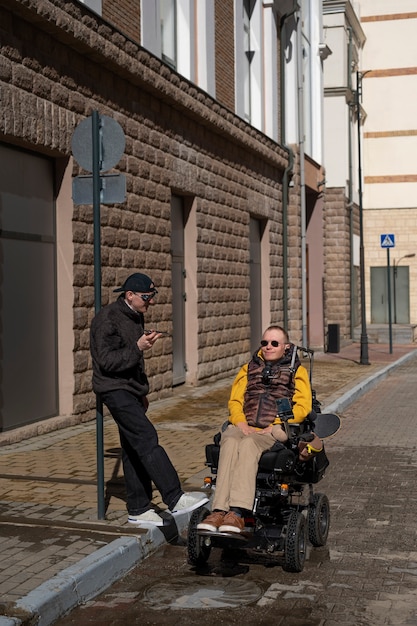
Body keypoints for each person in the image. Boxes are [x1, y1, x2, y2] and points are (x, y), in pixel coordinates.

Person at [90, 272, 208, 526]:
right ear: (129, 295)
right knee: (146, 439)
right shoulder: (107, 319)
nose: (150, 302)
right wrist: (138, 347)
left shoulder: (135, 314)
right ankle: (175, 498)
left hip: (130, 390)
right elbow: (106, 361)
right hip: (114, 389)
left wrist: (142, 392)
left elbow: (133, 363)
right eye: (146, 297)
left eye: (153, 296)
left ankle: (139, 508)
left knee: (133, 448)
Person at [197, 325, 312, 534]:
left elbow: (303, 407)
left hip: (276, 427)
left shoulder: (297, 370)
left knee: (249, 444)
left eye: (274, 343)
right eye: (265, 343)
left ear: (285, 347)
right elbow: (235, 401)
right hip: (245, 424)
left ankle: (238, 513)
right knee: (230, 440)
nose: (268, 347)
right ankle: (219, 510)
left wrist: (275, 423)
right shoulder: (248, 368)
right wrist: (240, 421)